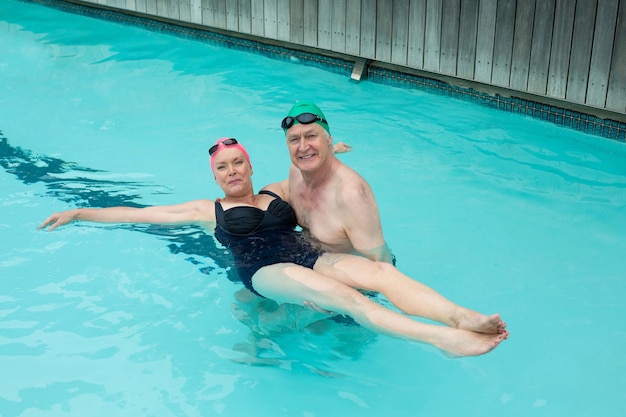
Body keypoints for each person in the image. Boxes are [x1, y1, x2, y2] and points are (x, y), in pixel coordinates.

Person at [39, 137, 508, 357]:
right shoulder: (210, 208)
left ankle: (460, 316)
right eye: (223, 167)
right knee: (347, 298)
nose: (232, 171)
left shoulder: (274, 190)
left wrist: (329, 151)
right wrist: (80, 212)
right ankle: (442, 340)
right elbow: (139, 214)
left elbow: (310, 171)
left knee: (383, 275)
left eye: (237, 162)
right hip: (264, 271)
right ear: (215, 175)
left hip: (307, 254)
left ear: (248, 164)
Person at [276, 101, 394, 263]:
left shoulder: (352, 195)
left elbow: (381, 260)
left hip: (343, 275)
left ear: (328, 139)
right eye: (294, 139)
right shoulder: (296, 172)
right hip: (307, 258)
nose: (302, 147)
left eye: (311, 136)